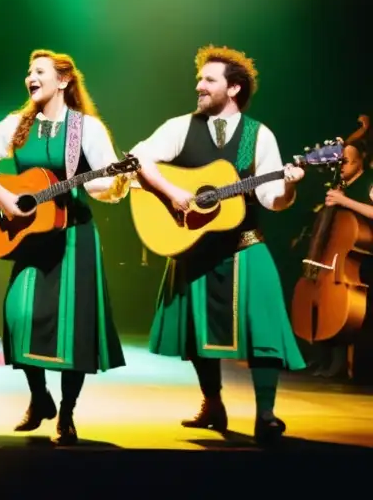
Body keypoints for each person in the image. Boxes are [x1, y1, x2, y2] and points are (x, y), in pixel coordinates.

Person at [130, 45, 306, 444]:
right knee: (196, 335)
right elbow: (139, 159)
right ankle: (213, 403)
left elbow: (272, 199)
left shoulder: (257, 136)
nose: (199, 86)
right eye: (200, 79)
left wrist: (290, 187)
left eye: (209, 80)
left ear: (234, 88)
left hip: (244, 243)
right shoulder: (180, 127)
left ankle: (266, 415)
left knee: (265, 329)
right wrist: (175, 193)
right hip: (193, 243)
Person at [0, 50, 129, 445]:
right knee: (19, 316)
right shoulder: (17, 124)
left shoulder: (86, 129)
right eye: (28, 72)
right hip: (32, 238)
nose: (30, 78)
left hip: (73, 236)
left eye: (39, 72)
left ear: (64, 81)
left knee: (73, 328)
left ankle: (66, 413)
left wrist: (108, 180)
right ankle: (40, 398)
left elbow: (103, 186)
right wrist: (3, 196)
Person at [312, 140, 373, 380]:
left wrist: (343, 201)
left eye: (348, 161)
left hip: (364, 261)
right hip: (336, 260)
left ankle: (355, 369)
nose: (343, 166)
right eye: (341, 162)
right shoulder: (337, 186)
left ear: (360, 163)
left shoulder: (368, 182)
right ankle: (326, 358)